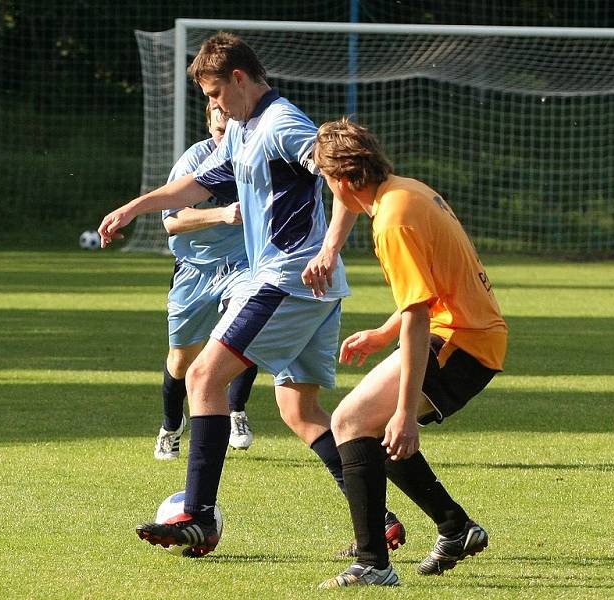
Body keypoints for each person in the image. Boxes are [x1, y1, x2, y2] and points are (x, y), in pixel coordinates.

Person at [97, 33, 405, 558]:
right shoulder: (242, 130)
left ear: (238, 78)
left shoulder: (282, 124)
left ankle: (197, 516)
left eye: (215, 93)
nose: (213, 106)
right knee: (299, 409)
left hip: (287, 279)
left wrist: (327, 248)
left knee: (201, 376)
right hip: (315, 288)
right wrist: (133, 208)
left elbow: (344, 175)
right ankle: (394, 520)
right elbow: (196, 185)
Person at [311, 117, 508, 588]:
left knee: (351, 422)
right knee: (365, 428)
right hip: (469, 331)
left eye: (324, 180)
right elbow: (433, 291)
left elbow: (420, 315)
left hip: (462, 341)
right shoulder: (404, 191)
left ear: (341, 181)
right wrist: (383, 333)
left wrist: (403, 411)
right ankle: (454, 527)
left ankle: (373, 564)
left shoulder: (392, 221)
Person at [154, 103, 257, 460]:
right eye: (216, 109)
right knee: (181, 360)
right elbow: (172, 221)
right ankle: (171, 425)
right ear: (208, 118)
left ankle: (236, 411)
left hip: (242, 265)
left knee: (244, 331)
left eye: (228, 108)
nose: (223, 114)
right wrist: (223, 214)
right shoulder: (195, 159)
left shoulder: (256, 155)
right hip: (195, 269)